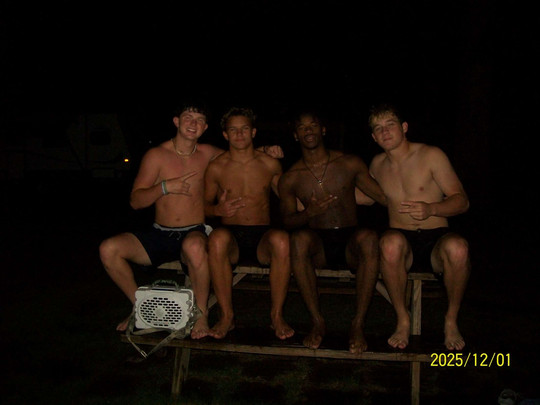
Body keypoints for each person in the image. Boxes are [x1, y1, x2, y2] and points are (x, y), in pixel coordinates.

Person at [99, 101, 283, 339]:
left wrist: (267, 149)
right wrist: (165, 187)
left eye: (199, 120)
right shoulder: (156, 155)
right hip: (159, 232)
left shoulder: (209, 154)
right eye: (188, 118)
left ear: (205, 128)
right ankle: (142, 307)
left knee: (195, 246)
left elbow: (241, 152)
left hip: (194, 231)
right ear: (176, 121)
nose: (193, 123)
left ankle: (201, 314)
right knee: (109, 249)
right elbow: (136, 201)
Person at [278, 109, 387, 353]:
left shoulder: (349, 163)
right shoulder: (291, 177)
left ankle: (358, 324)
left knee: (369, 238)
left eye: (313, 125)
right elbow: (287, 221)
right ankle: (317, 321)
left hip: (350, 242)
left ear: (323, 130)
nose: (308, 130)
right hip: (318, 245)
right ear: (296, 135)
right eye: (302, 127)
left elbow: (383, 197)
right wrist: (309, 213)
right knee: (298, 239)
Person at [368, 103, 470, 351]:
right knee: (389, 244)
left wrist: (431, 209)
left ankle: (451, 320)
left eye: (390, 124)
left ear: (404, 127)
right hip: (402, 241)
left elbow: (461, 201)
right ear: (373, 137)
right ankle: (403, 318)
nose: (385, 131)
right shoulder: (376, 165)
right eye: (378, 128)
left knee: (458, 248)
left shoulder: (431, 155)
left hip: (437, 238)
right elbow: (360, 196)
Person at [204, 107, 294, 340]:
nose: (239, 134)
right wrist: (217, 210)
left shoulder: (270, 164)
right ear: (225, 135)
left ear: (253, 132)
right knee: (216, 238)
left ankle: (276, 316)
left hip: (262, 236)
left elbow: (287, 199)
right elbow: (203, 206)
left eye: (244, 129)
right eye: (233, 130)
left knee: (282, 239)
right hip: (230, 238)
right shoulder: (216, 167)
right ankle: (227, 316)